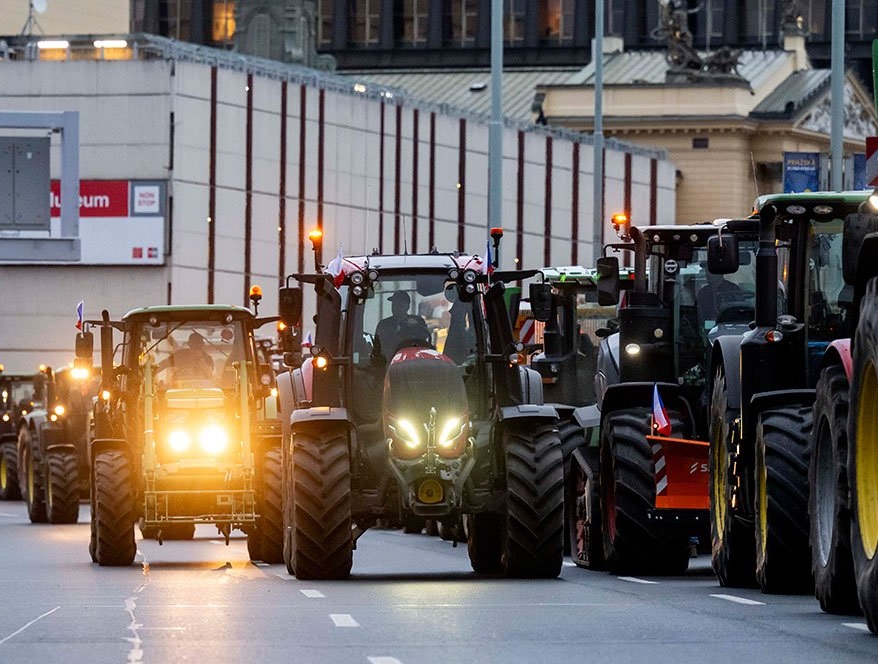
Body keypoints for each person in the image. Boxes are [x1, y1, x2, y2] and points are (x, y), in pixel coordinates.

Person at [375, 291, 428, 360]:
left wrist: (415, 327)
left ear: (407, 306)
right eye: (394, 304)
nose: (396, 307)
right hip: (387, 363)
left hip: (412, 362)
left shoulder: (418, 322)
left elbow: (423, 342)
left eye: (400, 304)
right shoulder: (383, 325)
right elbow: (377, 348)